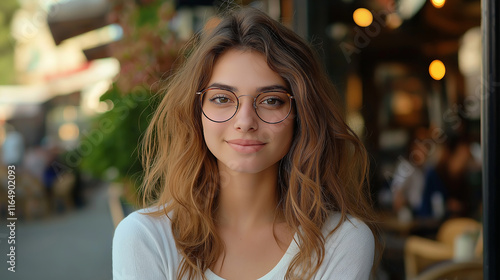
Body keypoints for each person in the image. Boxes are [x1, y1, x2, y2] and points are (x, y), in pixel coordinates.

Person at [113, 7, 380, 280]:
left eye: (271, 100)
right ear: (196, 112)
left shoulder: (342, 240)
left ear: (302, 115)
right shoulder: (145, 239)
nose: (245, 121)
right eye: (222, 98)